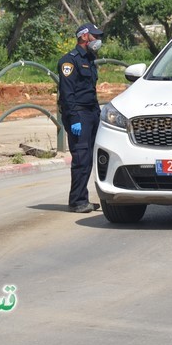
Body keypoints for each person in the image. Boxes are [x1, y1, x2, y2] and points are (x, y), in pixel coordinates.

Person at [57, 22, 104, 213]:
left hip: (92, 112)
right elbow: (67, 94)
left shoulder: (90, 59)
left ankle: (82, 198)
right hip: (79, 115)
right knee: (81, 158)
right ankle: (77, 201)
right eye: (95, 36)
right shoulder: (69, 61)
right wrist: (74, 118)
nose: (98, 40)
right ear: (84, 36)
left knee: (90, 158)